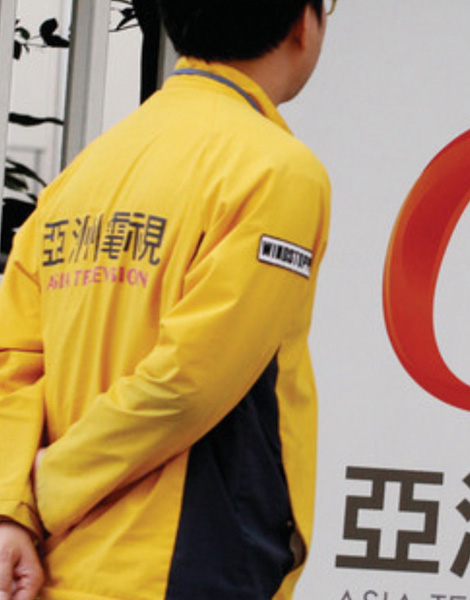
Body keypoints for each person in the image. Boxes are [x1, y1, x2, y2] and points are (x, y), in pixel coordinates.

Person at [0, 0, 334, 598]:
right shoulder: (277, 170)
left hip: (54, 571)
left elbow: (13, 362)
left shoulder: (83, 173)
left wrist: (13, 507)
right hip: (177, 567)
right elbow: (189, 380)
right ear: (300, 24)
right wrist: (46, 492)